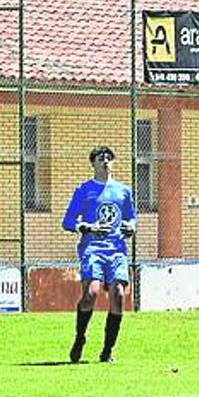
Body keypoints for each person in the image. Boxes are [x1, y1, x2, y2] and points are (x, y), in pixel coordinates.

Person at [62, 146, 136, 363]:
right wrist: (87, 227)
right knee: (91, 293)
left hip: (116, 250)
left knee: (118, 295)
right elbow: (67, 221)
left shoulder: (123, 191)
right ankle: (80, 337)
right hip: (92, 249)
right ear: (92, 163)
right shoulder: (84, 190)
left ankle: (107, 350)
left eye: (109, 158)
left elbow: (131, 218)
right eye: (100, 158)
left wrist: (131, 227)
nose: (105, 161)